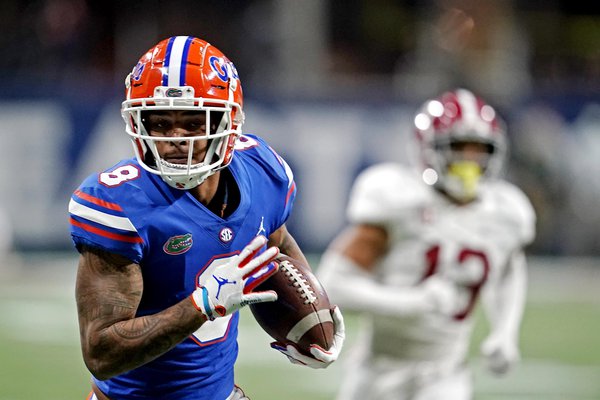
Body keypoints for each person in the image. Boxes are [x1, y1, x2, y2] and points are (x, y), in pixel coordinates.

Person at [68, 36, 344, 400]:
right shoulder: (119, 204)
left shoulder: (263, 172)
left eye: (194, 122)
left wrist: (311, 315)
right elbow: (102, 353)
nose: (175, 138)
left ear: (230, 122)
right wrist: (201, 306)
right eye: (159, 122)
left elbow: (276, 246)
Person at [317, 88, 535, 400]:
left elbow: (509, 268)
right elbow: (333, 287)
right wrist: (412, 302)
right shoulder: (399, 200)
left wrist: (505, 331)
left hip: (445, 373)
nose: (469, 159)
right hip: (377, 368)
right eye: (458, 147)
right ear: (428, 148)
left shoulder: (505, 213)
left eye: (479, 149)